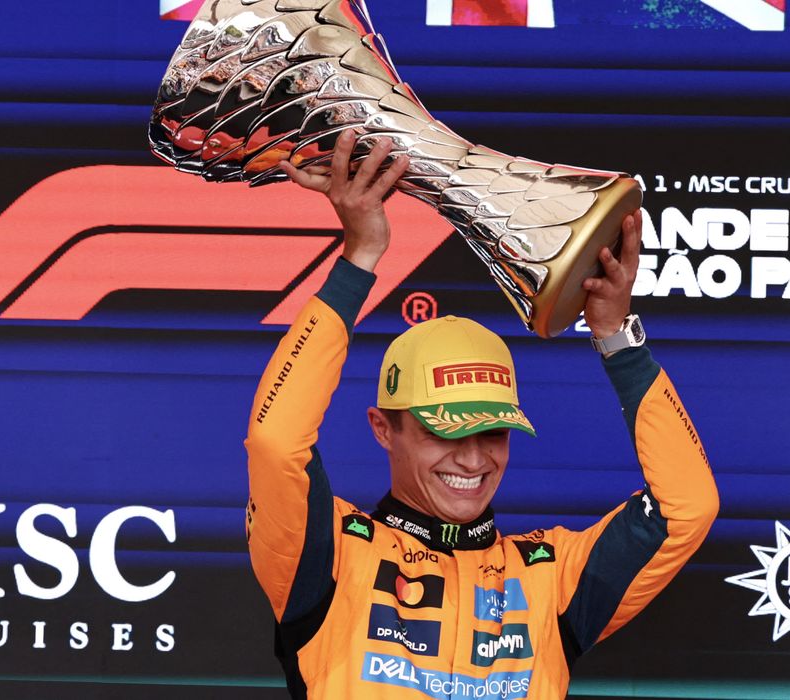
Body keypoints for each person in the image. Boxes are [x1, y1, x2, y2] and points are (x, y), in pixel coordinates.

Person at [245, 131, 718, 700]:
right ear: (383, 428)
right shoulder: (329, 553)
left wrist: (617, 339)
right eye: (444, 430)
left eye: (493, 431)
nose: (472, 457)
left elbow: (687, 507)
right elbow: (276, 440)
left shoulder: (550, 577)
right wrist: (359, 259)